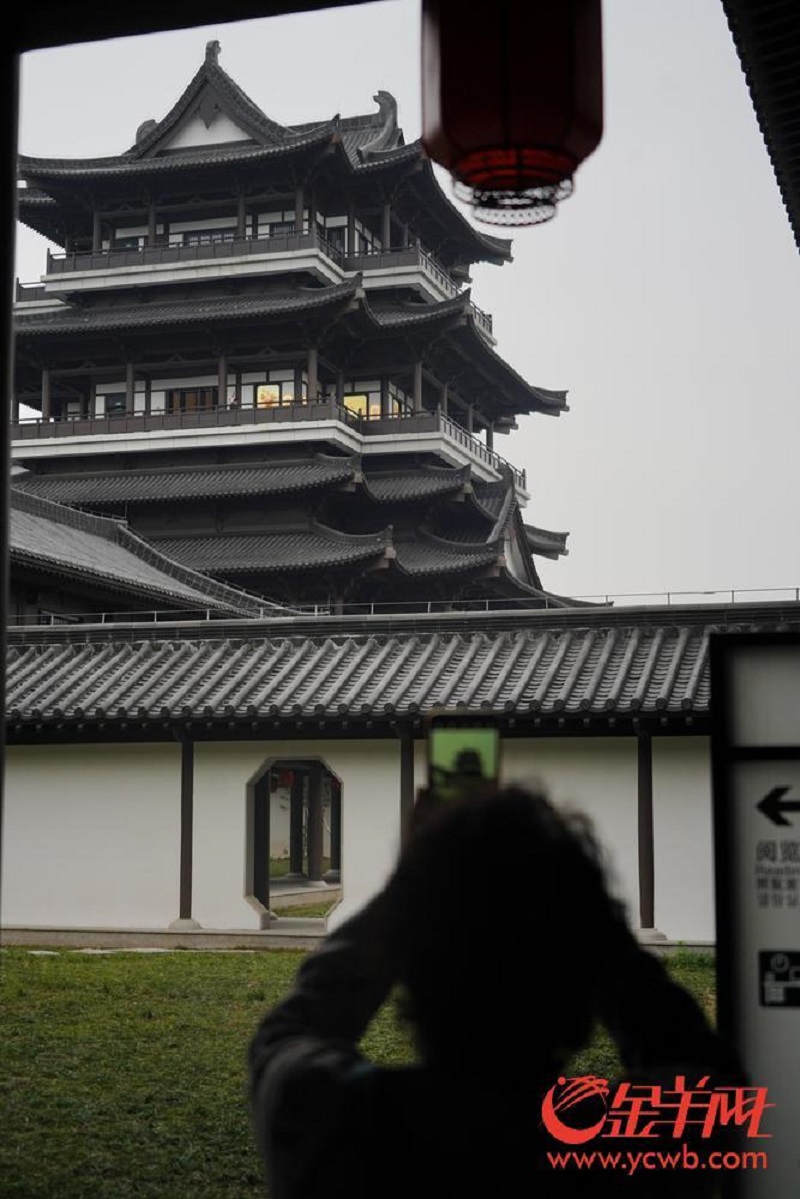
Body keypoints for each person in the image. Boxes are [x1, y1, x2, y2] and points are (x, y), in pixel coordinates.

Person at [248, 785, 747, 1198]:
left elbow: (286, 1036)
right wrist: (587, 913)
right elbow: (709, 1070)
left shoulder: (340, 1123)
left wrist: (413, 880)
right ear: (579, 981)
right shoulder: (631, 1147)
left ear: (408, 968)